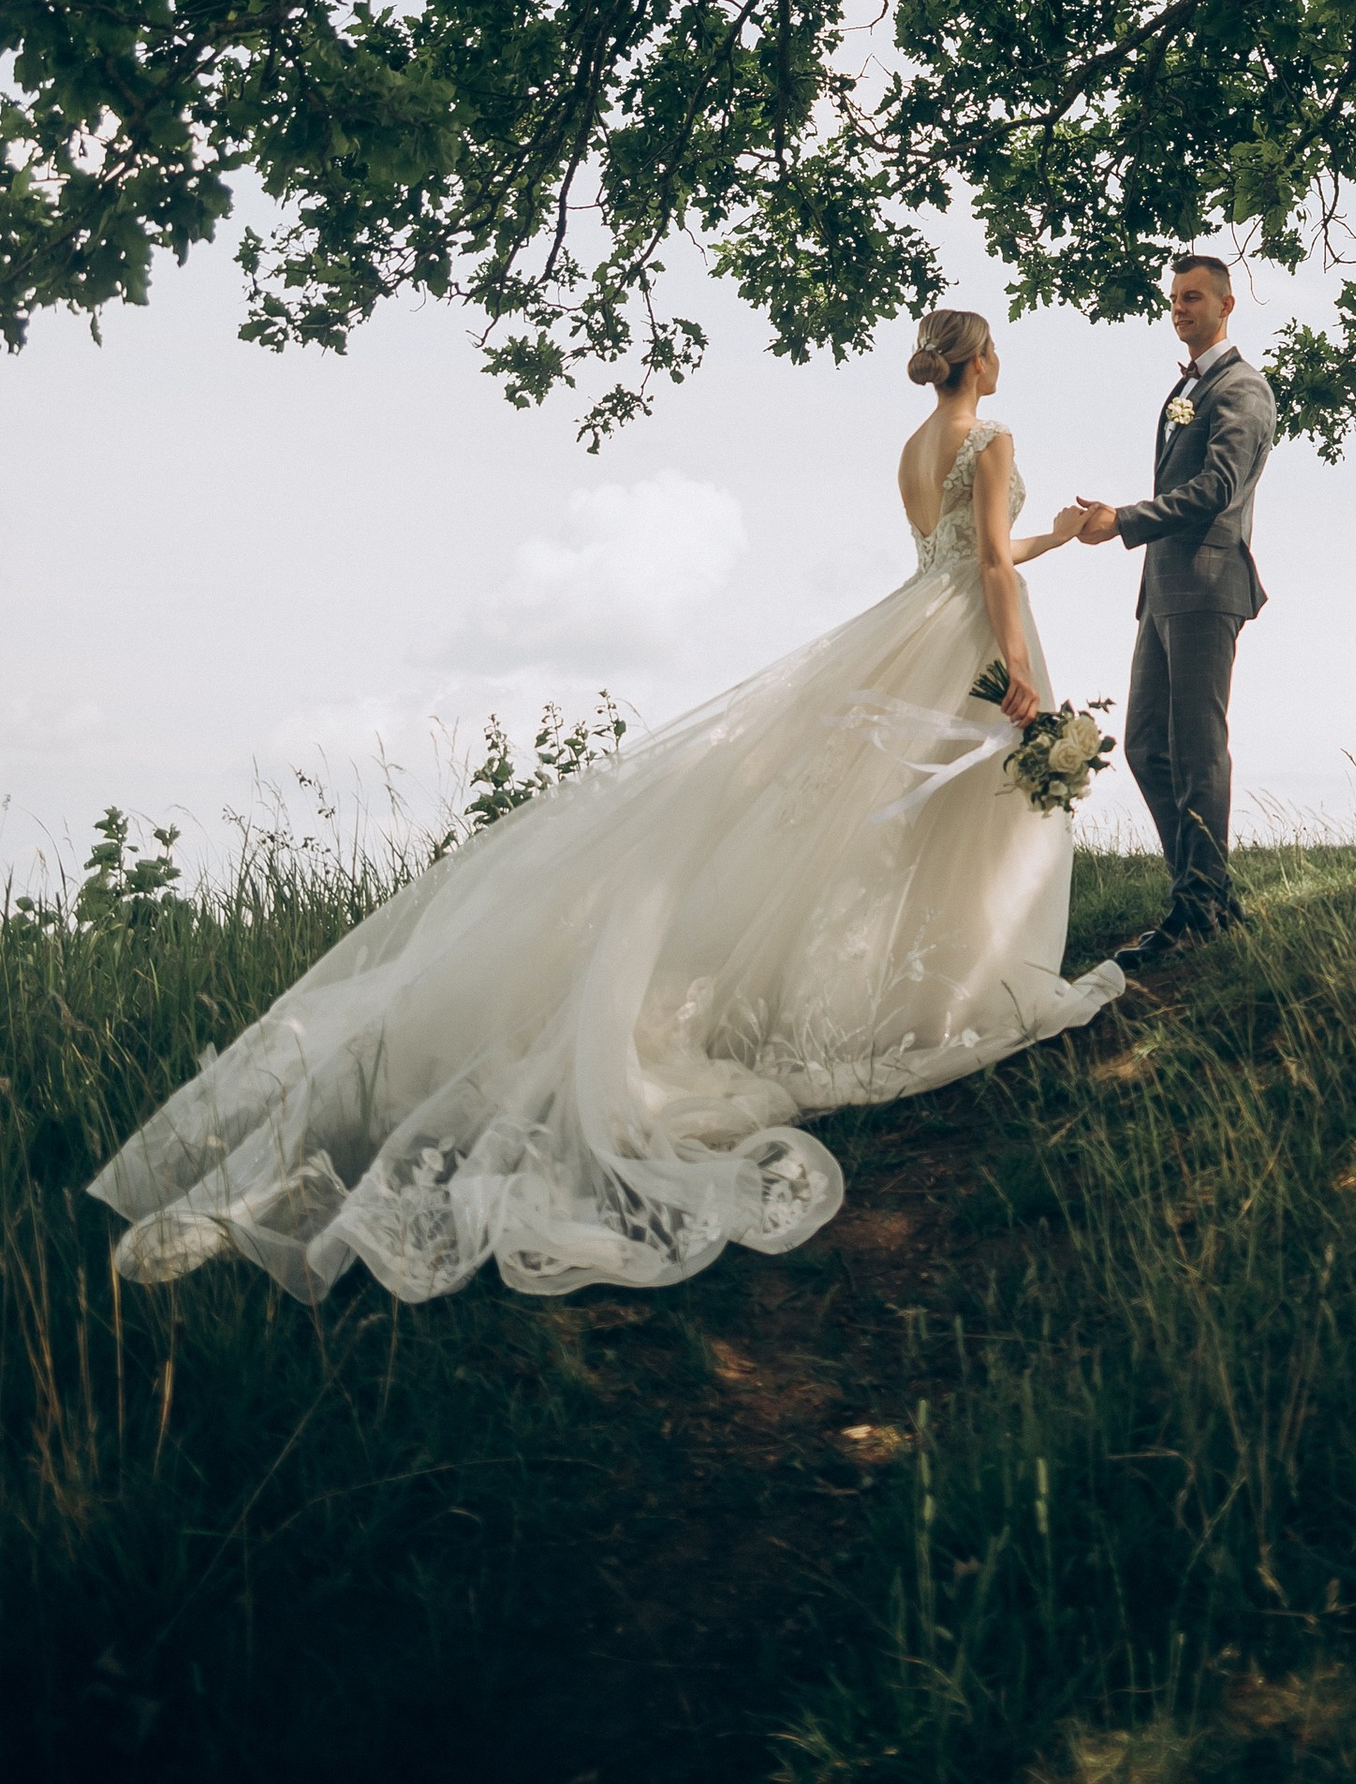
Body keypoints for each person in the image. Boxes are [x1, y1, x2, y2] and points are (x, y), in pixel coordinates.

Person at [89, 311, 1123, 1304]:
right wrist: (1021, 669)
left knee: (900, 824)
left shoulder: (912, 442)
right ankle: (952, 987)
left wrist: (1056, 538)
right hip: (969, 637)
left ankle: (926, 984)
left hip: (920, 622)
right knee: (949, 819)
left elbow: (958, 553)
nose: (1000, 366)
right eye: (997, 351)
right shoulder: (991, 433)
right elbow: (981, 564)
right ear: (978, 358)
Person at [1073, 253, 1272, 968]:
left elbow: (1218, 487)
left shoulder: (1241, 387)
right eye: (1175, 297)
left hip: (1206, 583)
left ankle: (1200, 905)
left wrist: (1123, 519)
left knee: (1195, 747)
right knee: (1146, 744)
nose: (1180, 307)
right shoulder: (1186, 387)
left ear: (1226, 305)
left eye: (1193, 297)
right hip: (1161, 588)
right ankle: (1202, 891)